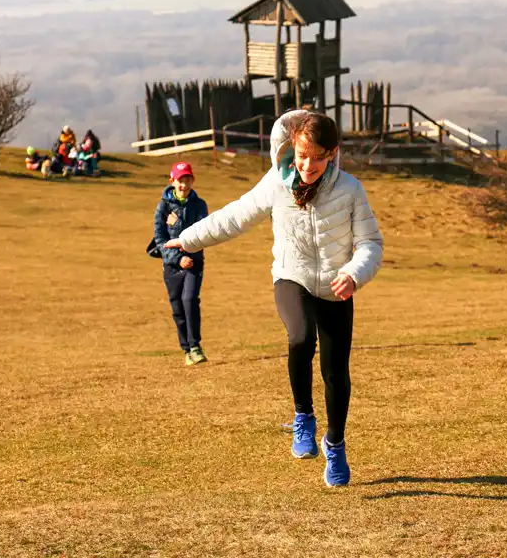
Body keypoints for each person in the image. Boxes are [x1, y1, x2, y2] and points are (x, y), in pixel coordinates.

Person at [163, 110, 383, 487]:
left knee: (335, 372)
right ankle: (303, 417)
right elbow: (235, 216)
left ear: (332, 153)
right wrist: (189, 238)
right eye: (301, 155)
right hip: (291, 276)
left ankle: (335, 444)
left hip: (336, 285)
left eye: (317, 156)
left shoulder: (350, 189)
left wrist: (353, 273)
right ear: (291, 148)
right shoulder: (276, 183)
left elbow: (370, 244)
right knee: (299, 337)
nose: (307, 165)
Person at [154, 161, 209, 365]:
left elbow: (204, 232)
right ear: (172, 181)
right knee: (177, 307)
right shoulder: (163, 206)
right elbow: (159, 240)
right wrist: (178, 258)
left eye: (187, 180)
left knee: (190, 300)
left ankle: (195, 346)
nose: (183, 185)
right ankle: (186, 350)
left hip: (194, 263)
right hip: (171, 266)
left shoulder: (199, 205)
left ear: (192, 180)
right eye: (180, 181)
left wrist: (189, 255)